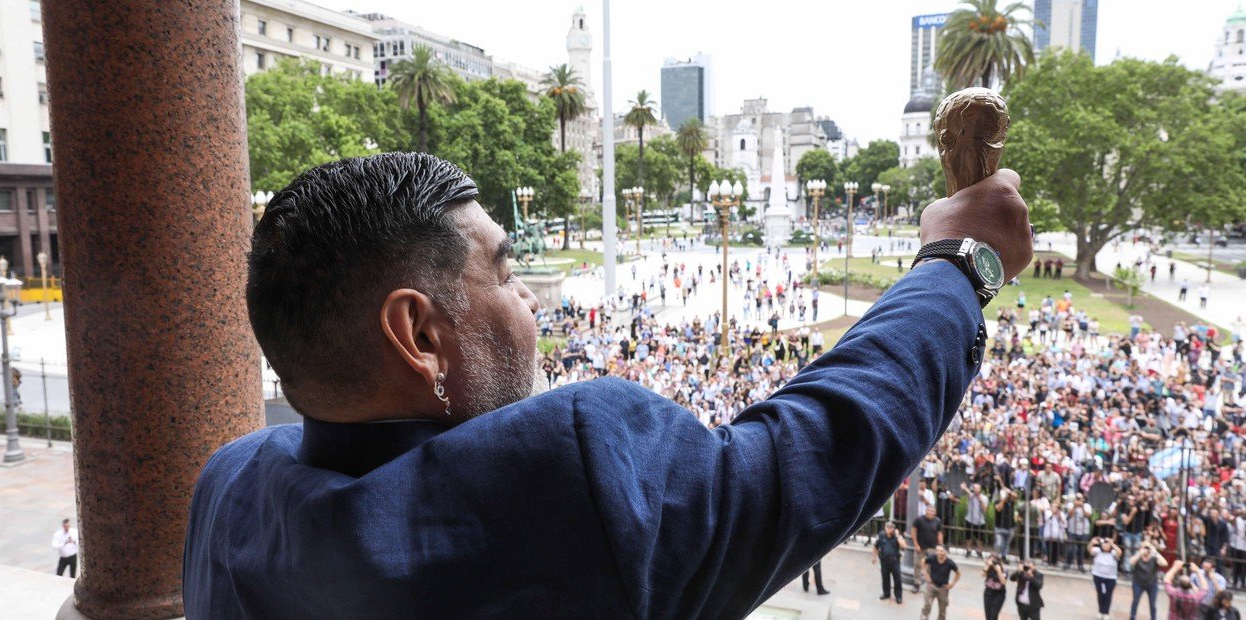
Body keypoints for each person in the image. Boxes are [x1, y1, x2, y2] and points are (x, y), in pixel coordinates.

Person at [182, 154, 1032, 617]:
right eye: (506, 273)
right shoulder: (560, 472)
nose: (527, 302)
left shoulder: (226, 488)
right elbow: (820, 444)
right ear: (420, 336)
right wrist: (960, 262)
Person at [1129, 541, 1168, 620]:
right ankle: (1132, 617)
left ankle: (1153, 618)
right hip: (1138, 583)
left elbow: (1165, 564)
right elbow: (1131, 562)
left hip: (1152, 584)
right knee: (1135, 601)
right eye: (1144, 547)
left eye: (1148, 547)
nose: (1146, 549)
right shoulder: (1138, 557)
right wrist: (1140, 553)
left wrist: (1155, 552)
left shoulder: (1154, 558)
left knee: (1152, 603)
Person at [921, 545, 960, 620]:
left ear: (945, 552)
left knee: (942, 610)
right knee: (927, 605)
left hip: (943, 588)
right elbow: (923, 561)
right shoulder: (932, 558)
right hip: (932, 586)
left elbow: (958, 573)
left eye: (941, 551)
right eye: (937, 550)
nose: (938, 553)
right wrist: (926, 574)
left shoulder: (949, 563)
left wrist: (952, 584)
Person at [912, 505, 945, 593]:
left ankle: (930, 584)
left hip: (932, 548)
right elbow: (913, 531)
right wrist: (916, 544)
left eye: (932, 511)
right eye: (929, 510)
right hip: (921, 547)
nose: (930, 512)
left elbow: (939, 533)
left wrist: (940, 545)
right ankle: (917, 584)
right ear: (926, 511)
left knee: (932, 566)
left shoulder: (937, 521)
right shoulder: (919, 520)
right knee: (917, 565)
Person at [1090, 536, 1122, 620]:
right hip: (1098, 575)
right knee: (1100, 594)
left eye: (1107, 545)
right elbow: (1090, 550)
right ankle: (1100, 611)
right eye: (1104, 544)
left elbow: (1120, 552)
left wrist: (1112, 544)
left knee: (1108, 595)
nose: (1105, 546)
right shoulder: (1097, 551)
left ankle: (1106, 612)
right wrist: (1092, 543)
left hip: (1110, 577)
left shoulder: (1113, 553)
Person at [873, 521, 906, 603]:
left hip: (895, 561)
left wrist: (898, 536)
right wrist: (874, 557)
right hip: (884, 561)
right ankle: (886, 593)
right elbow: (875, 546)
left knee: (897, 579)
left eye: (891, 527)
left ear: (893, 528)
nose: (889, 529)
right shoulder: (881, 535)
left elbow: (904, 546)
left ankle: (898, 596)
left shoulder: (896, 537)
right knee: (885, 578)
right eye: (887, 527)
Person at [982, 553, 1007, 620]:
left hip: (999, 594)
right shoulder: (989, 568)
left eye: (994, 560)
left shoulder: (1003, 569)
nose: (993, 562)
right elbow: (983, 575)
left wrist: (998, 570)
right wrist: (987, 565)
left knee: (994, 615)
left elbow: (1003, 582)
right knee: (988, 614)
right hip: (988, 592)